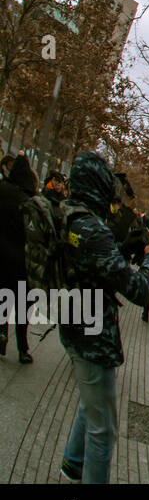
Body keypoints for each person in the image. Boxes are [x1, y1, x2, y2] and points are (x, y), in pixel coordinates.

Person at [57, 152, 149, 483]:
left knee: (94, 398)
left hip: (73, 326)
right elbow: (140, 290)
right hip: (94, 339)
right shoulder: (93, 230)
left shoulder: (70, 217)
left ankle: (73, 462)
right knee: (104, 433)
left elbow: (99, 261)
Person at [0, 154, 37, 363]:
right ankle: (23, 348)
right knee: (24, 306)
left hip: (2, 258)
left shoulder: (2, 190)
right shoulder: (30, 201)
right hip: (23, 261)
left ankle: (1, 333)